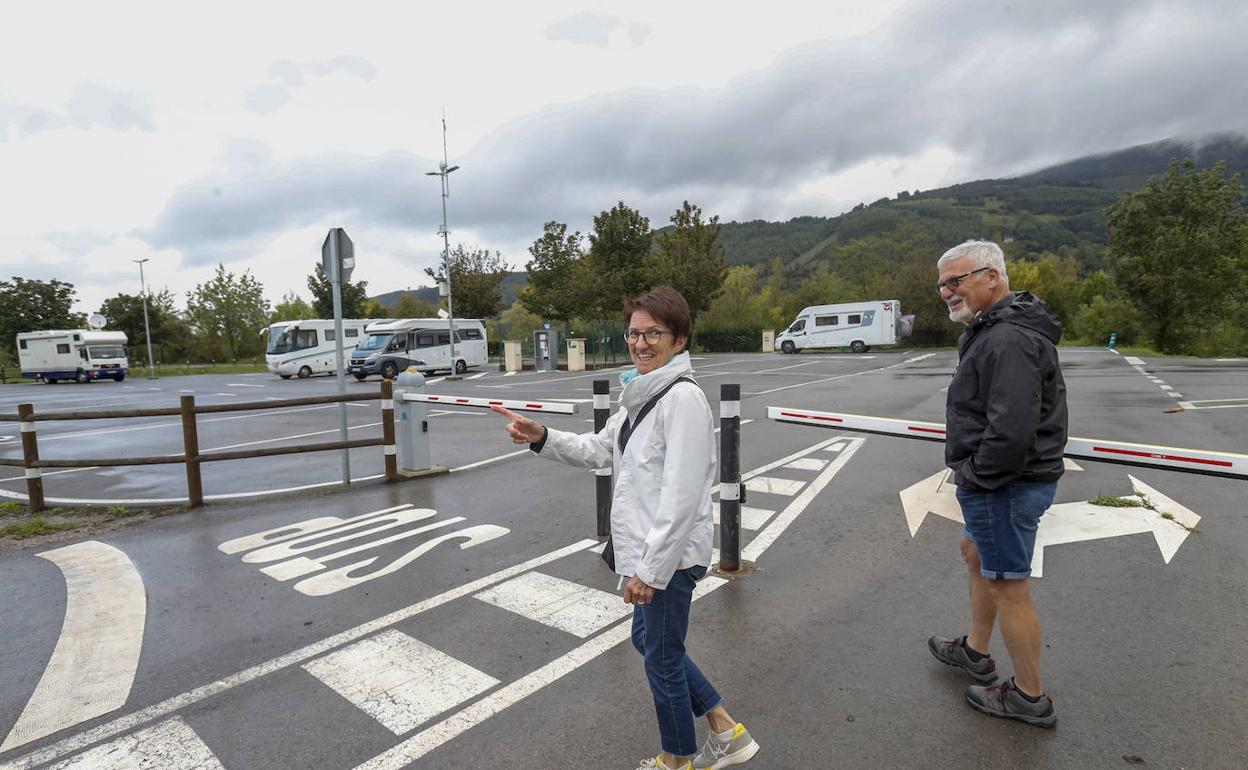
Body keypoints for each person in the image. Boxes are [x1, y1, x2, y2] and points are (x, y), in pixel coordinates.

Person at [492, 286, 760, 770]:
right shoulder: (644, 396)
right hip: (652, 554)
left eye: (653, 333)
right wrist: (543, 437)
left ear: (679, 340)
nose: (640, 343)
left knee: (660, 657)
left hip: (669, 558)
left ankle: (676, 760)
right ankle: (723, 725)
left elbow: (681, 499)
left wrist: (650, 573)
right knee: (651, 643)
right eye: (634, 333)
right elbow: (599, 449)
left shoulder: (682, 401)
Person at [928, 240, 1068, 728]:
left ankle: (1030, 697)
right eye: (942, 283)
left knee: (1008, 584)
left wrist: (972, 475)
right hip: (1002, 481)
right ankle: (975, 649)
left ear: (993, 277)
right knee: (976, 554)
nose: (947, 291)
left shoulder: (1007, 339)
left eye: (956, 280)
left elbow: (1011, 430)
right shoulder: (991, 329)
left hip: (1004, 483)